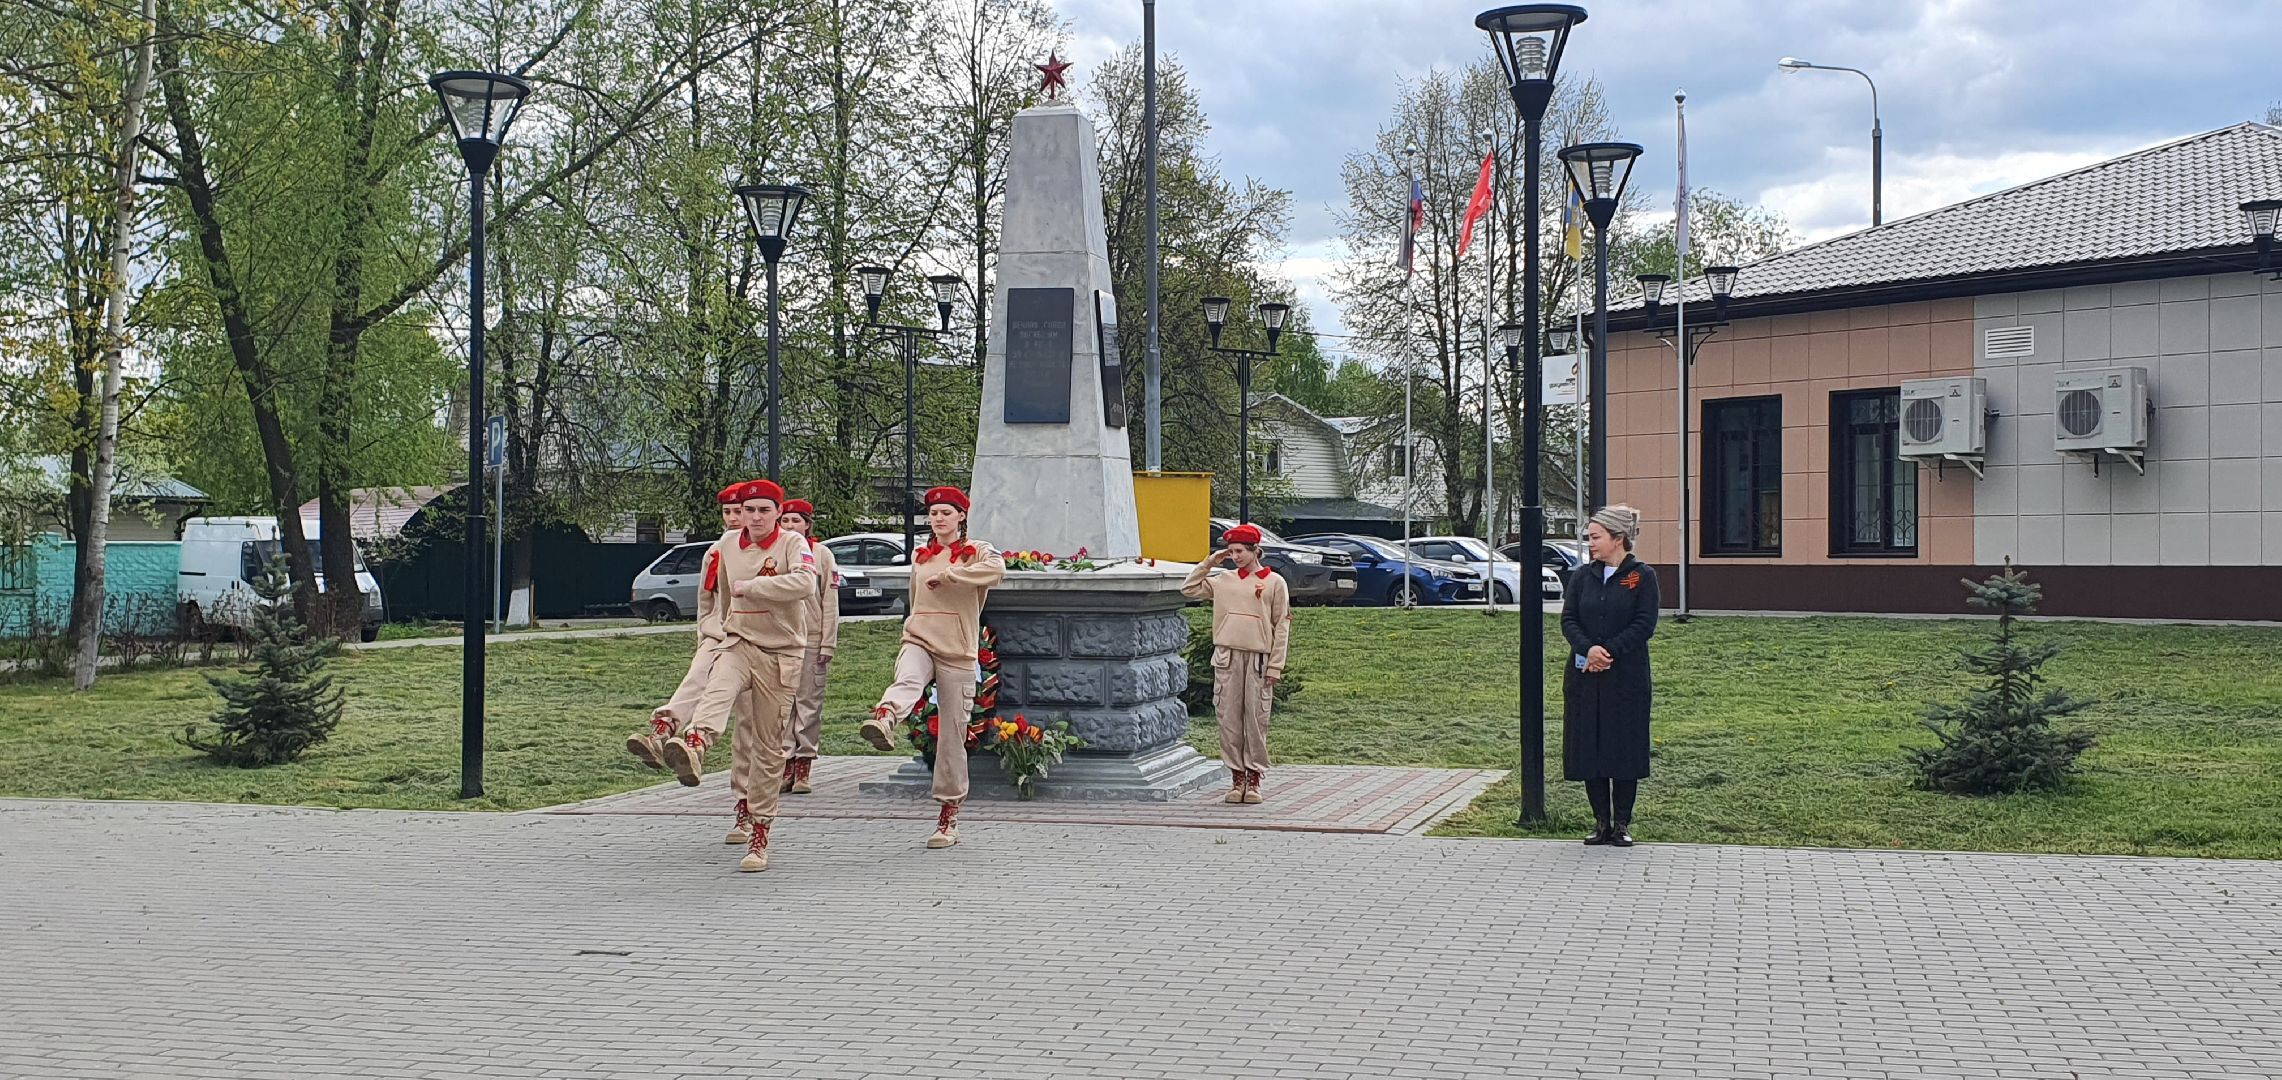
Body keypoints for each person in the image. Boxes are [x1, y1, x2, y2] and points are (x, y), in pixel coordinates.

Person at [672, 479, 816, 872]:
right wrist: (715, 632)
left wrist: (756, 587)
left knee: (768, 747)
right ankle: (696, 743)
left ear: (777, 513)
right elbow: (717, 596)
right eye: (748, 510)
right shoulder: (724, 546)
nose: (753, 518)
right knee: (717, 688)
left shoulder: (792, 544)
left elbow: (806, 582)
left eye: (763, 510)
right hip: (738, 640)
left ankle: (760, 833)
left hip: (782, 652)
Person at [860, 486, 1003, 850]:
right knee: (907, 677)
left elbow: (996, 571)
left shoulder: (977, 551)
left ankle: (948, 814)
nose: (938, 519)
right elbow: (915, 597)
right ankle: (886, 717)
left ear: (961, 517)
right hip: (920, 636)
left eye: (946, 512)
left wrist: (954, 575)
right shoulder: (921, 554)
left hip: (957, 649)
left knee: (953, 734)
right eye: (933, 513)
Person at [628, 483, 761, 846]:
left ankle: (748, 808)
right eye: (729, 513)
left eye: (742, 512)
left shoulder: (770, 549)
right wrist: (706, 634)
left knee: (748, 734)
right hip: (721, 637)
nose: (736, 519)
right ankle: (664, 733)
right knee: (695, 678)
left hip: (759, 645)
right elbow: (706, 602)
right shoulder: (716, 552)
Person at [1560, 505, 1660, 848]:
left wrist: (1610, 652)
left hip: (1626, 680)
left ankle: (1622, 823)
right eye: (1589, 538)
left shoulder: (1642, 576)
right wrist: (1589, 650)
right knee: (1591, 747)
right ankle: (1600, 822)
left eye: (1595, 537)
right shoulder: (1581, 577)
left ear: (1618, 538)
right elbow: (1569, 620)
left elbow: (1644, 624)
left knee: (1623, 748)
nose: (1590, 544)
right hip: (1586, 677)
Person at [1179, 523, 1291, 804]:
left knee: (1255, 719)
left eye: (1240, 551)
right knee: (1228, 719)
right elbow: (1188, 588)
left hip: (1258, 660)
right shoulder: (1223, 580)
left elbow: (1282, 625)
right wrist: (1209, 562)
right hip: (1227, 658)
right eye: (1231, 551)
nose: (1235, 556)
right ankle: (1236, 777)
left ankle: (1254, 779)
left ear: (1255, 551)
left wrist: (1275, 665)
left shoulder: (1274, 582)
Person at [777, 498, 838, 795]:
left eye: (796, 521)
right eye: (785, 521)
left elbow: (829, 600)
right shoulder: (773, 553)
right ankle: (785, 763)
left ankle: (804, 764)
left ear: (807, 524)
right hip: (780, 638)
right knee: (781, 704)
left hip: (812, 638)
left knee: (808, 704)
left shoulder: (821, 554)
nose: (790, 526)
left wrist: (828, 641)